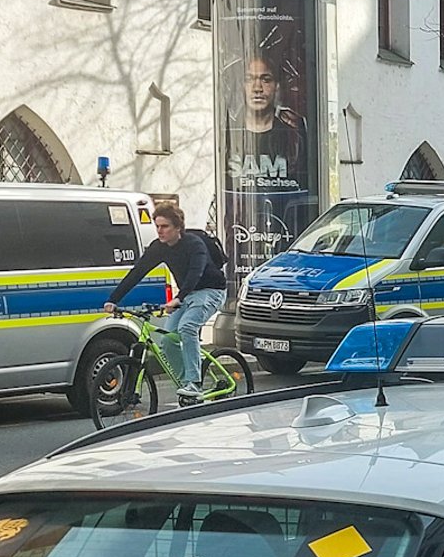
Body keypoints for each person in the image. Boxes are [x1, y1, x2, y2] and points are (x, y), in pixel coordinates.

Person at [104, 204, 227, 403]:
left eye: (165, 226)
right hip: (187, 295)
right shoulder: (158, 247)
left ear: (178, 227)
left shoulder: (194, 244)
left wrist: (178, 297)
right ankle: (185, 385)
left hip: (211, 291)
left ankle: (194, 384)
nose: (160, 231)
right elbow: (137, 273)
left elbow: (196, 273)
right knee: (167, 340)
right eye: (157, 226)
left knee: (187, 328)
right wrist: (113, 299)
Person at [230, 52, 307, 190]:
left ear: (277, 87)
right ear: (242, 86)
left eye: (265, 80)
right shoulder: (229, 135)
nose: (257, 88)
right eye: (249, 79)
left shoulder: (293, 138)